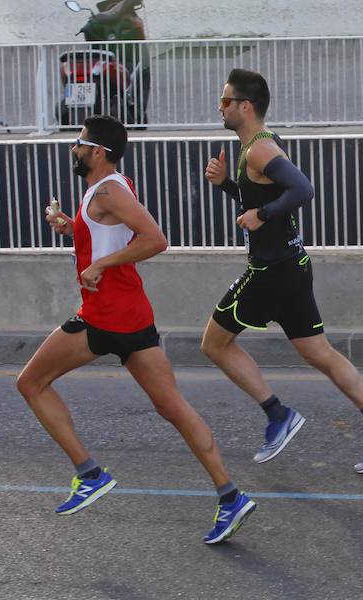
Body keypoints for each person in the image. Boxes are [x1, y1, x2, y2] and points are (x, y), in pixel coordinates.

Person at [15, 115, 254, 544]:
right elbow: (115, 235)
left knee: (31, 383)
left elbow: (156, 239)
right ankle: (230, 495)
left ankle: (89, 473)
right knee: (174, 408)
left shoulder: (107, 190)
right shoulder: (111, 189)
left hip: (102, 316)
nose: (73, 149)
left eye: (78, 143)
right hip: (132, 318)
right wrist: (74, 228)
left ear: (98, 151)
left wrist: (100, 265)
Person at [202, 68, 363, 474]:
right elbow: (266, 194)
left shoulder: (260, 149)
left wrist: (261, 213)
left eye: (226, 101)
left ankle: (278, 415)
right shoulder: (260, 143)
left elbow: (302, 190)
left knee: (214, 344)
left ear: (246, 106)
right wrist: (228, 185)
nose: (220, 108)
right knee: (319, 352)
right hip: (293, 266)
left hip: (270, 271)